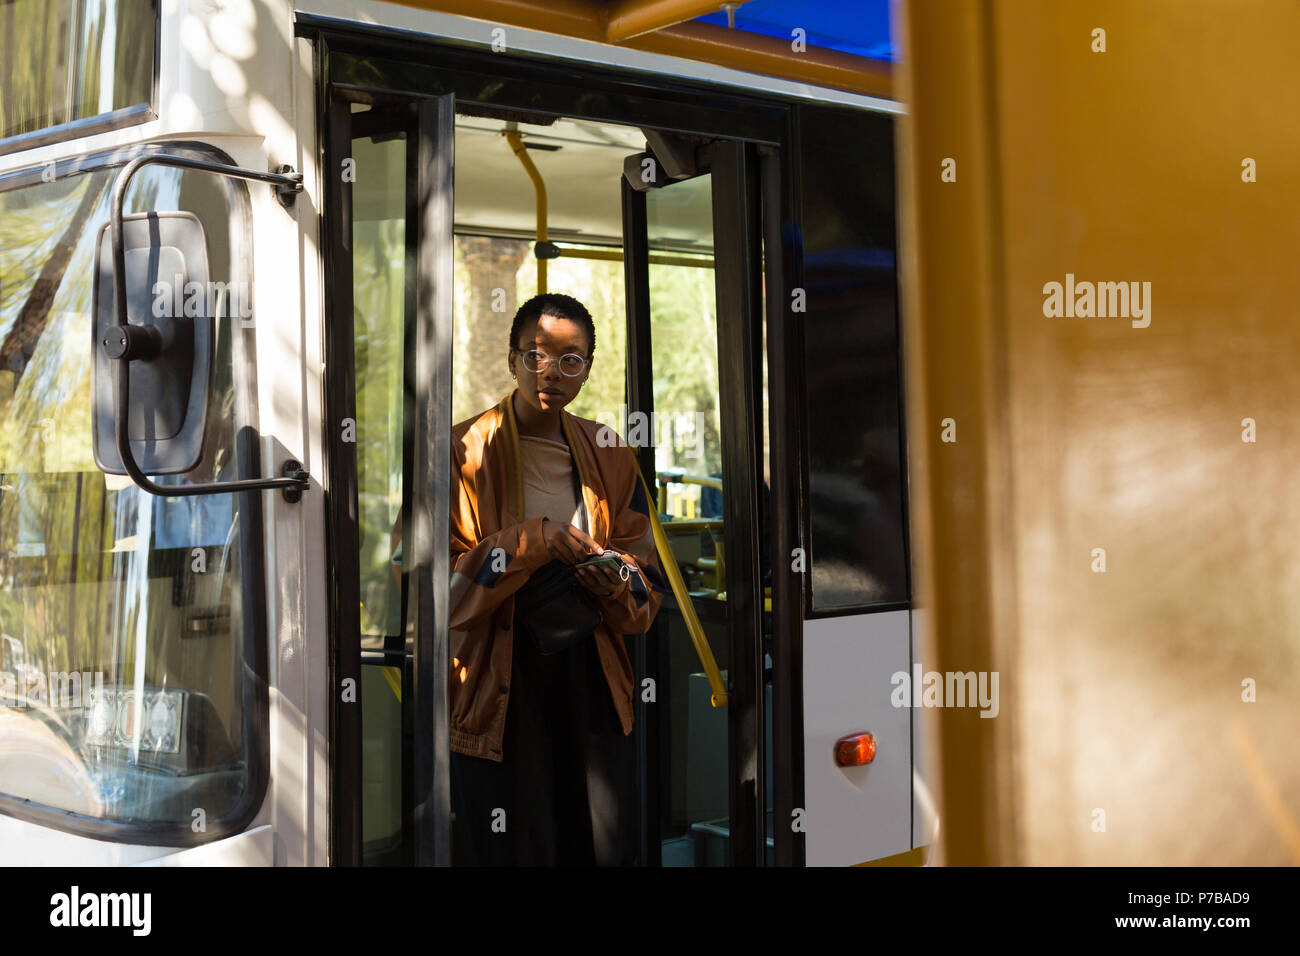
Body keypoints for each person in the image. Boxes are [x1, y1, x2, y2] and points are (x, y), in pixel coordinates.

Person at [446, 292, 664, 866]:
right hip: (497, 682)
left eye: (573, 360)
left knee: (598, 844)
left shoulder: (610, 452)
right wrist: (531, 540)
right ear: (511, 359)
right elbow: (432, 598)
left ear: (589, 369)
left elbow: (648, 595)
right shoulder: (459, 450)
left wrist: (609, 577)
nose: (553, 372)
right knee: (517, 844)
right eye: (537, 355)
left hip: (592, 677)